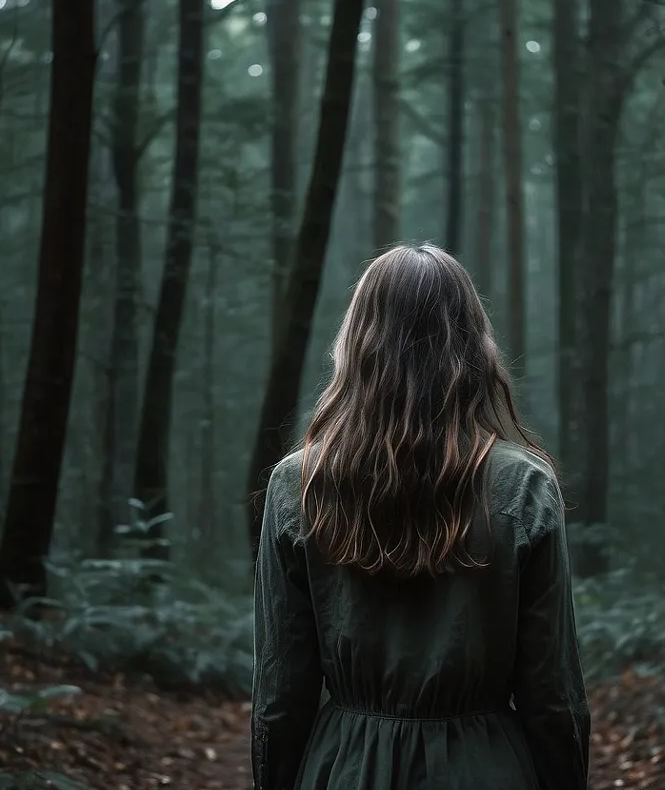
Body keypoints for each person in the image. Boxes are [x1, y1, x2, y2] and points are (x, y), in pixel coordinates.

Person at [251, 243, 591, 789]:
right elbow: (552, 694)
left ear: (357, 344)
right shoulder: (524, 485)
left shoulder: (299, 484)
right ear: (473, 348)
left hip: (345, 771)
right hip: (486, 772)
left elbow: (279, 696)